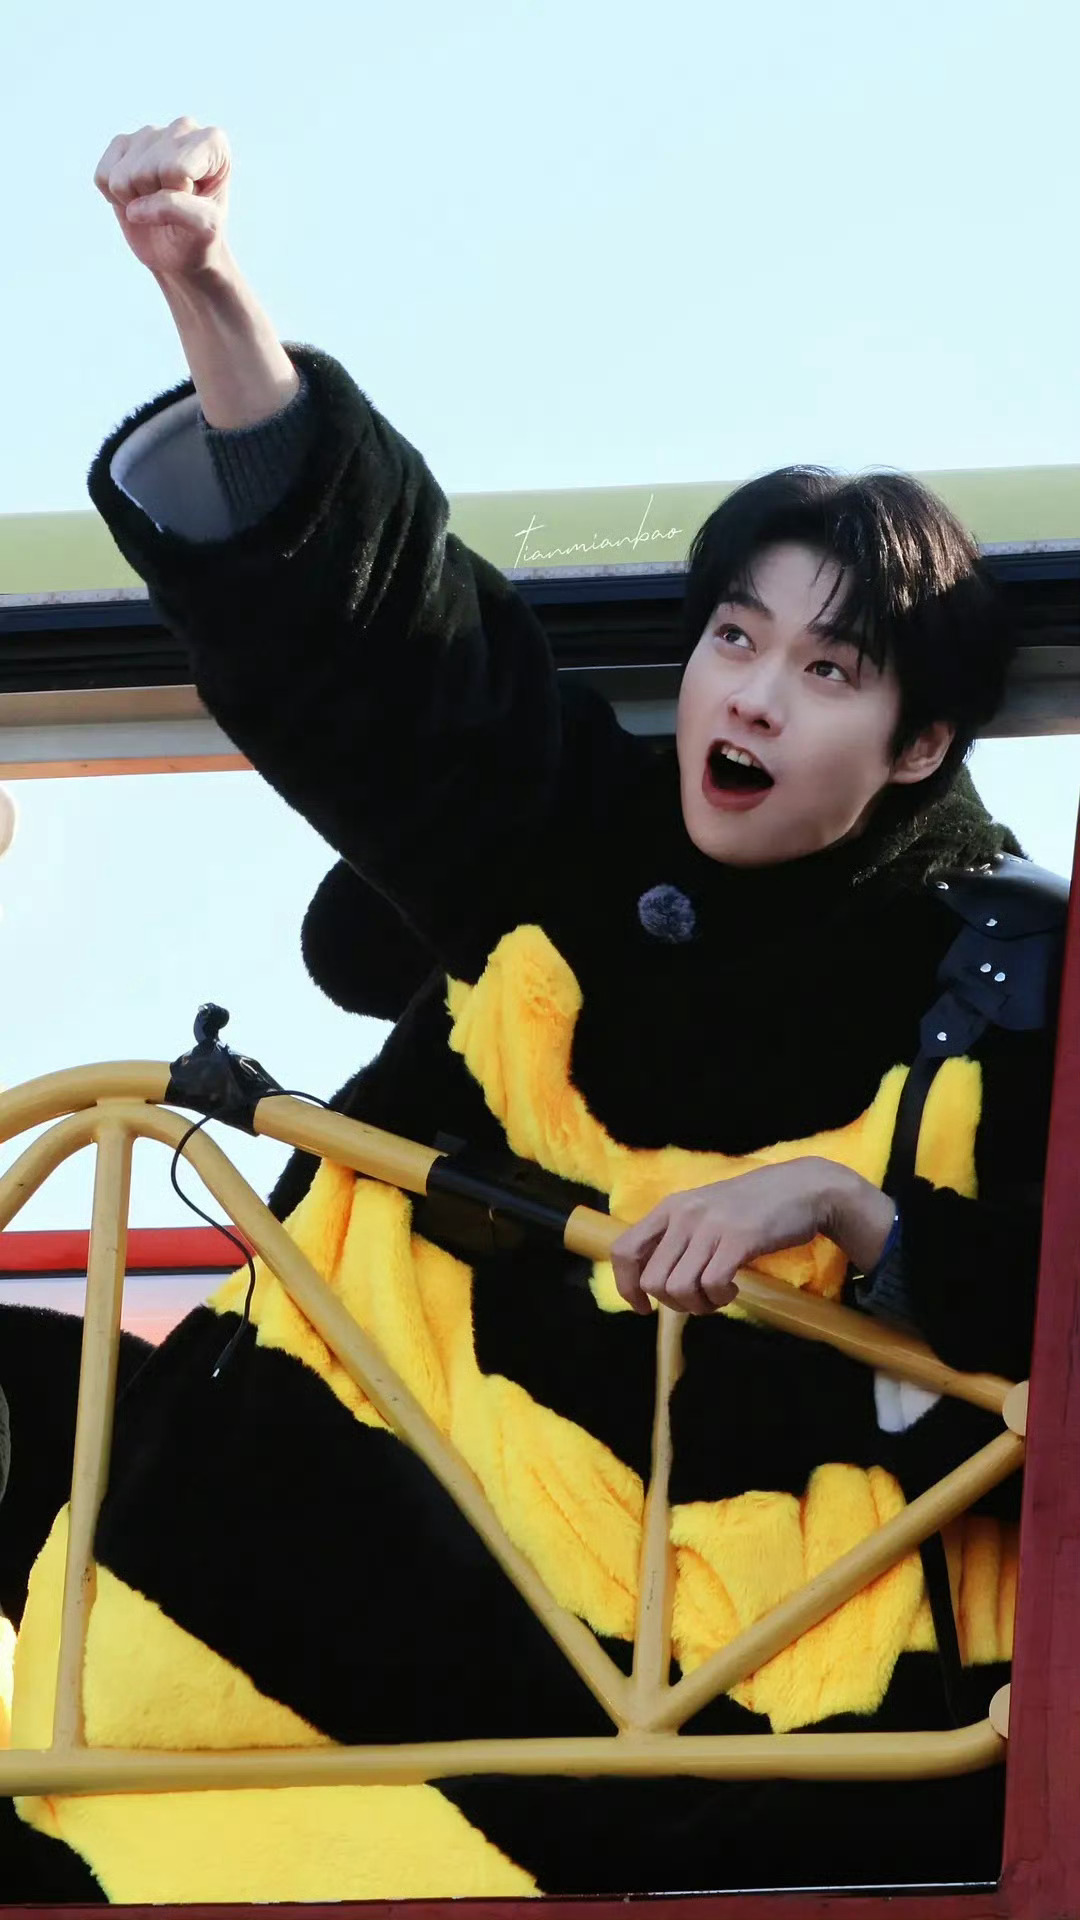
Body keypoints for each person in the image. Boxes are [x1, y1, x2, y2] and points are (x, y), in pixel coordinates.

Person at [3, 117, 1062, 1904]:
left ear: (920, 746)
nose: (753, 696)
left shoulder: (1004, 979)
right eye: (735, 637)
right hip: (380, 1536)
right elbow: (382, 646)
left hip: (739, 1695)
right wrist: (211, 290)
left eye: (829, 670)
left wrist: (845, 1211)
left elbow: (1039, 1311)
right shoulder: (567, 838)